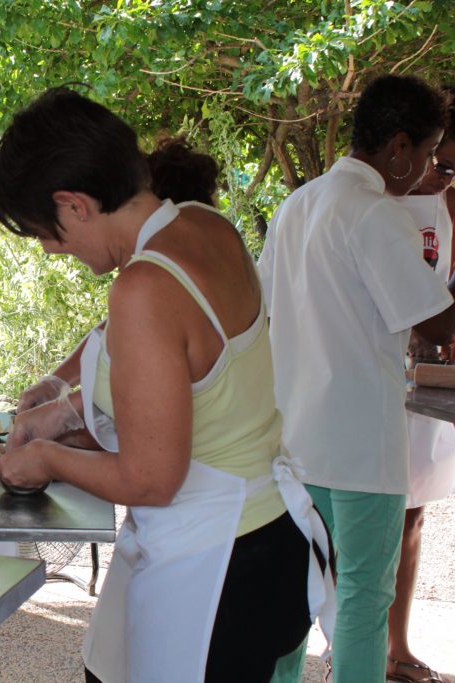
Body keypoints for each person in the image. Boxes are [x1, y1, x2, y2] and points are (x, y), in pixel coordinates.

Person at [0, 88, 334, 683]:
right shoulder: (205, 225)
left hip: (218, 561)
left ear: (73, 205)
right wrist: (67, 408)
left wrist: (45, 458)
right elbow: (184, 390)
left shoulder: (144, 286)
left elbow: (150, 478)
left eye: (44, 232)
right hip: (267, 535)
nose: (49, 249)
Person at [257, 74, 454, 683]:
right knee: (366, 602)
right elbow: (440, 324)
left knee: (292, 599)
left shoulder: (298, 205)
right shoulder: (374, 212)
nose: (425, 170)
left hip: (293, 441)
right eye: (425, 155)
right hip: (361, 447)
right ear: (397, 146)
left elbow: (262, 308)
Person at [18, 136, 222, 413]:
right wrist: (58, 381)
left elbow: (152, 437)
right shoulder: (214, 241)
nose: (47, 247)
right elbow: (114, 329)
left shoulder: (157, 279)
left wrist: (58, 428)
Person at [388, 119, 455, 683]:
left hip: (425, 382)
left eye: (450, 167)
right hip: (371, 388)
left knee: (413, 517)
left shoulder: (448, 206)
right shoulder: (372, 208)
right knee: (371, 520)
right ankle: (352, 641)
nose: (440, 175)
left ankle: (397, 645)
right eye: (437, 160)